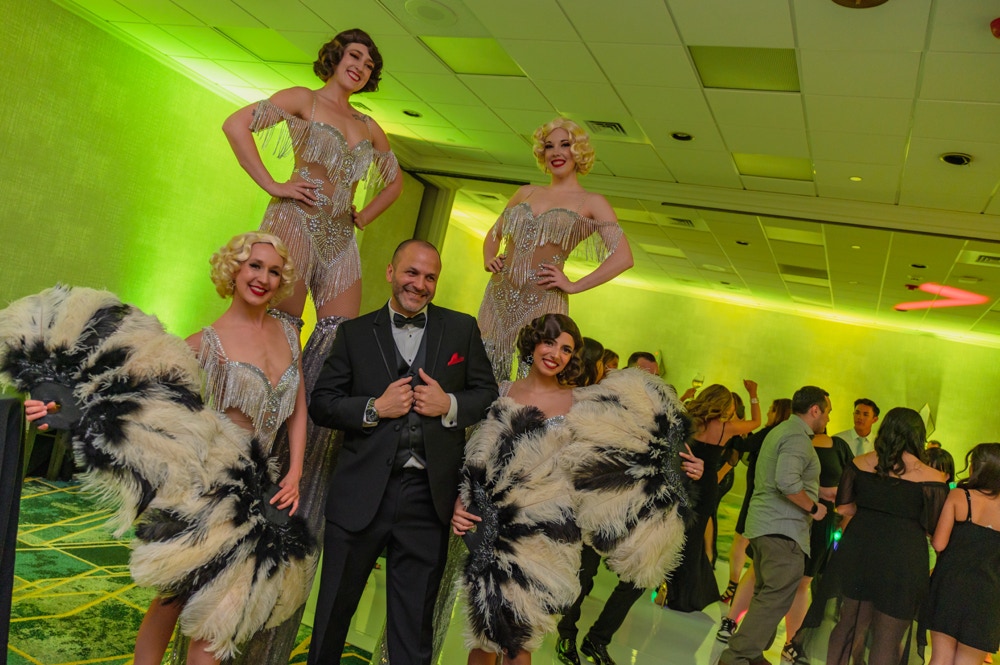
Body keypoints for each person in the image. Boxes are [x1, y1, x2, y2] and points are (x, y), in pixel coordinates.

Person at [25, 232, 308, 665]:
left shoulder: (288, 335)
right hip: (206, 486)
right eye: (254, 266)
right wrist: (58, 403)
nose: (263, 278)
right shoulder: (204, 343)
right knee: (173, 596)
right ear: (233, 271)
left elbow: (299, 407)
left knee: (216, 612)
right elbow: (131, 385)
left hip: (261, 489)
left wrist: (295, 472)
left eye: (273, 271)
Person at [454, 315, 703, 665]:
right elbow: (475, 455)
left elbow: (634, 445)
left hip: (549, 534)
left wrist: (686, 467)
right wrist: (461, 501)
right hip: (495, 528)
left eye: (566, 349)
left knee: (520, 641)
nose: (555, 354)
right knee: (484, 636)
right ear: (533, 344)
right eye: (549, 342)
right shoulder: (499, 391)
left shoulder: (581, 402)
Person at [306, 239, 498, 665]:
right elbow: (322, 403)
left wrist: (448, 404)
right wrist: (375, 408)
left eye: (430, 277)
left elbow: (487, 394)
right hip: (359, 496)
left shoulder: (461, 329)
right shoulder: (354, 334)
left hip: (427, 501)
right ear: (391, 272)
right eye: (412, 272)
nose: (420, 284)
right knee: (332, 617)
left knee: (413, 631)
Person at [477, 117, 633, 382]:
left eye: (565, 144)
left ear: (578, 151)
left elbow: (624, 257)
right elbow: (494, 233)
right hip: (498, 296)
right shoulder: (525, 192)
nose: (556, 152)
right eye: (549, 146)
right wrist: (488, 257)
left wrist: (573, 285)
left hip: (543, 301)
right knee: (483, 369)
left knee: (529, 374)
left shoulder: (592, 202)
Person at [793, 407, 949, 665]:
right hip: (903, 558)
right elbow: (933, 529)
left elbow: (844, 508)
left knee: (848, 624)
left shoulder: (859, 463)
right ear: (917, 436)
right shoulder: (934, 478)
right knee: (887, 638)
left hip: (860, 550)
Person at [718, 386, 831, 665]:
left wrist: (820, 493)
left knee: (765, 595)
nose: (828, 418)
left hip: (767, 525)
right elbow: (787, 482)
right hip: (782, 530)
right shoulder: (796, 438)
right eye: (827, 412)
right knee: (775, 598)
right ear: (814, 410)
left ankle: (753, 653)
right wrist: (814, 508)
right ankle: (737, 656)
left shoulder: (781, 431)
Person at [665, 380, 760, 613]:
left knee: (677, 535)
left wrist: (686, 395)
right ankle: (687, 597)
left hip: (685, 481)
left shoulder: (690, 420)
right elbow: (756, 422)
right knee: (694, 541)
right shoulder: (726, 428)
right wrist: (753, 394)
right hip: (707, 484)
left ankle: (671, 588)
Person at [717, 399, 793, 642]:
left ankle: (734, 586)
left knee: (742, 542)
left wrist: (733, 426)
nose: (768, 414)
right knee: (747, 546)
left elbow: (744, 444)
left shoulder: (771, 432)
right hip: (762, 497)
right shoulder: (782, 436)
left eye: (771, 410)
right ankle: (737, 590)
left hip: (756, 497)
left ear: (778, 413)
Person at [925, 443, 1000, 665]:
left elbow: (939, 544)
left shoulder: (960, 495)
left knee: (940, 658)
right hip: (988, 592)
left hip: (950, 585)